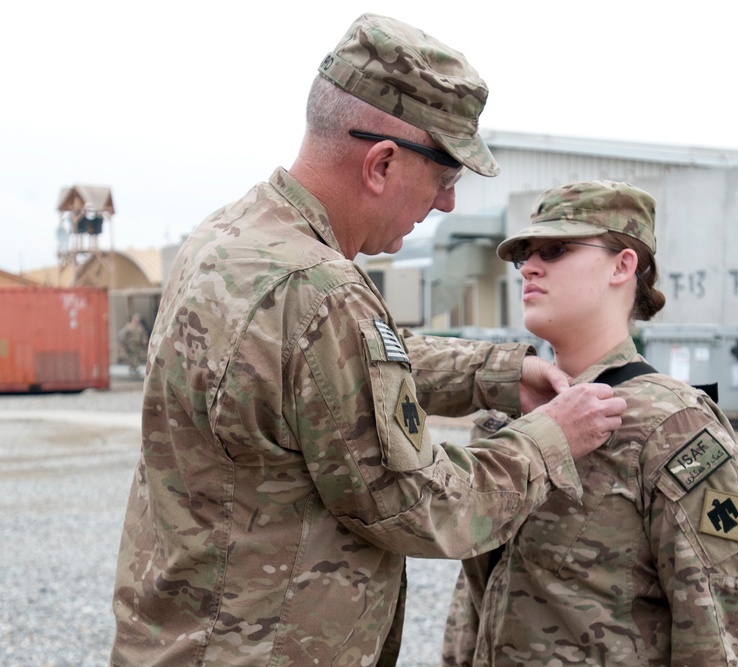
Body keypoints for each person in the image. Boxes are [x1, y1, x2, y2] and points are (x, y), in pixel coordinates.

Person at [109, 15, 626, 667]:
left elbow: (344, 366)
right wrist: (552, 437)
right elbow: (420, 505)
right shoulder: (321, 289)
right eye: (443, 177)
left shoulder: (230, 239)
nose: (446, 204)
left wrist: (494, 371)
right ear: (381, 163)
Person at [442, 181, 738, 666]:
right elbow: (476, 600)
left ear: (622, 264)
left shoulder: (673, 425)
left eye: (555, 249)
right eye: (523, 255)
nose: (529, 267)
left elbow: (717, 625)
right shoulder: (503, 418)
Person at [116, 313, 148, 377]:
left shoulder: (140, 327)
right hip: (130, 344)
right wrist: (122, 343)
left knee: (137, 355)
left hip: (137, 343)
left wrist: (144, 340)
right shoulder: (128, 327)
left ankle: (134, 367)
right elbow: (122, 335)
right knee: (133, 355)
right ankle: (134, 367)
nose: (137, 321)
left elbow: (143, 334)